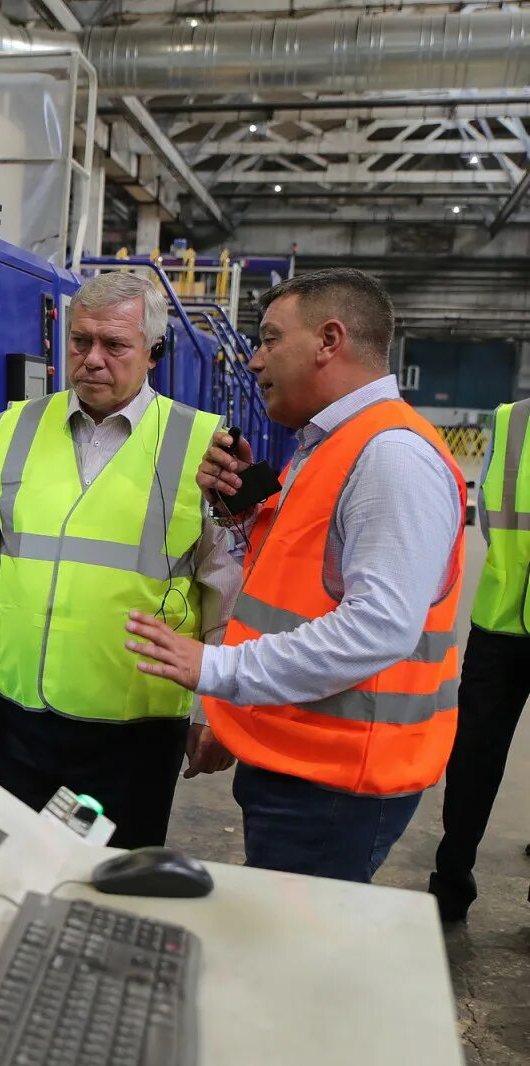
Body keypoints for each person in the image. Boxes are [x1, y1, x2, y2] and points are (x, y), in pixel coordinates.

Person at [128, 268, 465, 883]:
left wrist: (215, 670)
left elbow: (379, 629)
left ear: (328, 341)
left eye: (269, 339)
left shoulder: (391, 457)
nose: (254, 361)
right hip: (302, 757)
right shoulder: (330, 444)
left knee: (301, 964)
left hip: (337, 782)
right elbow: (297, 585)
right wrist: (240, 515)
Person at [0, 271, 241, 850]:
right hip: (15, 720)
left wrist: (215, 707)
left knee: (109, 885)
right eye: (81, 341)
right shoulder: (13, 430)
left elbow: (228, 595)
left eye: (114, 345)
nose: (92, 359)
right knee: (4, 870)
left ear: (153, 352)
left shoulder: (203, 446)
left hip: (134, 733)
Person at [430, 398, 530, 920]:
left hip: (501, 615)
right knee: (473, 757)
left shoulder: (513, 421)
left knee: (476, 751)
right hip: (500, 618)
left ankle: (450, 881)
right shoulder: (509, 419)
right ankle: (451, 877)